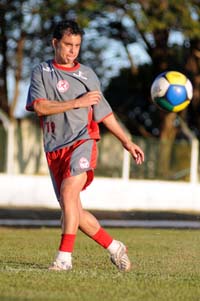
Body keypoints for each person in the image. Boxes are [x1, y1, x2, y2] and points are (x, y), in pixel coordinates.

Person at [26, 20, 144, 272]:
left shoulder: (87, 75)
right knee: (73, 212)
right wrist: (76, 103)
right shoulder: (41, 72)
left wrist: (126, 140)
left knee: (70, 193)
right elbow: (39, 107)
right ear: (55, 43)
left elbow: (103, 112)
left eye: (77, 45)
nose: (73, 51)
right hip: (54, 148)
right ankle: (115, 247)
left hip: (83, 140)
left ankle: (64, 259)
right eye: (68, 45)